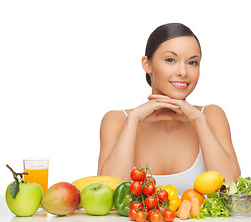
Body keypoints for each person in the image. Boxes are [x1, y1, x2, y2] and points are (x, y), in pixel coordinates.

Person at [97, 23, 241, 194]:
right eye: (170, 60)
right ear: (147, 64)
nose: (183, 72)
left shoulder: (210, 115)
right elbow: (108, 191)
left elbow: (231, 187)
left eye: (192, 62)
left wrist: (198, 120)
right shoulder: (117, 120)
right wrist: (133, 120)